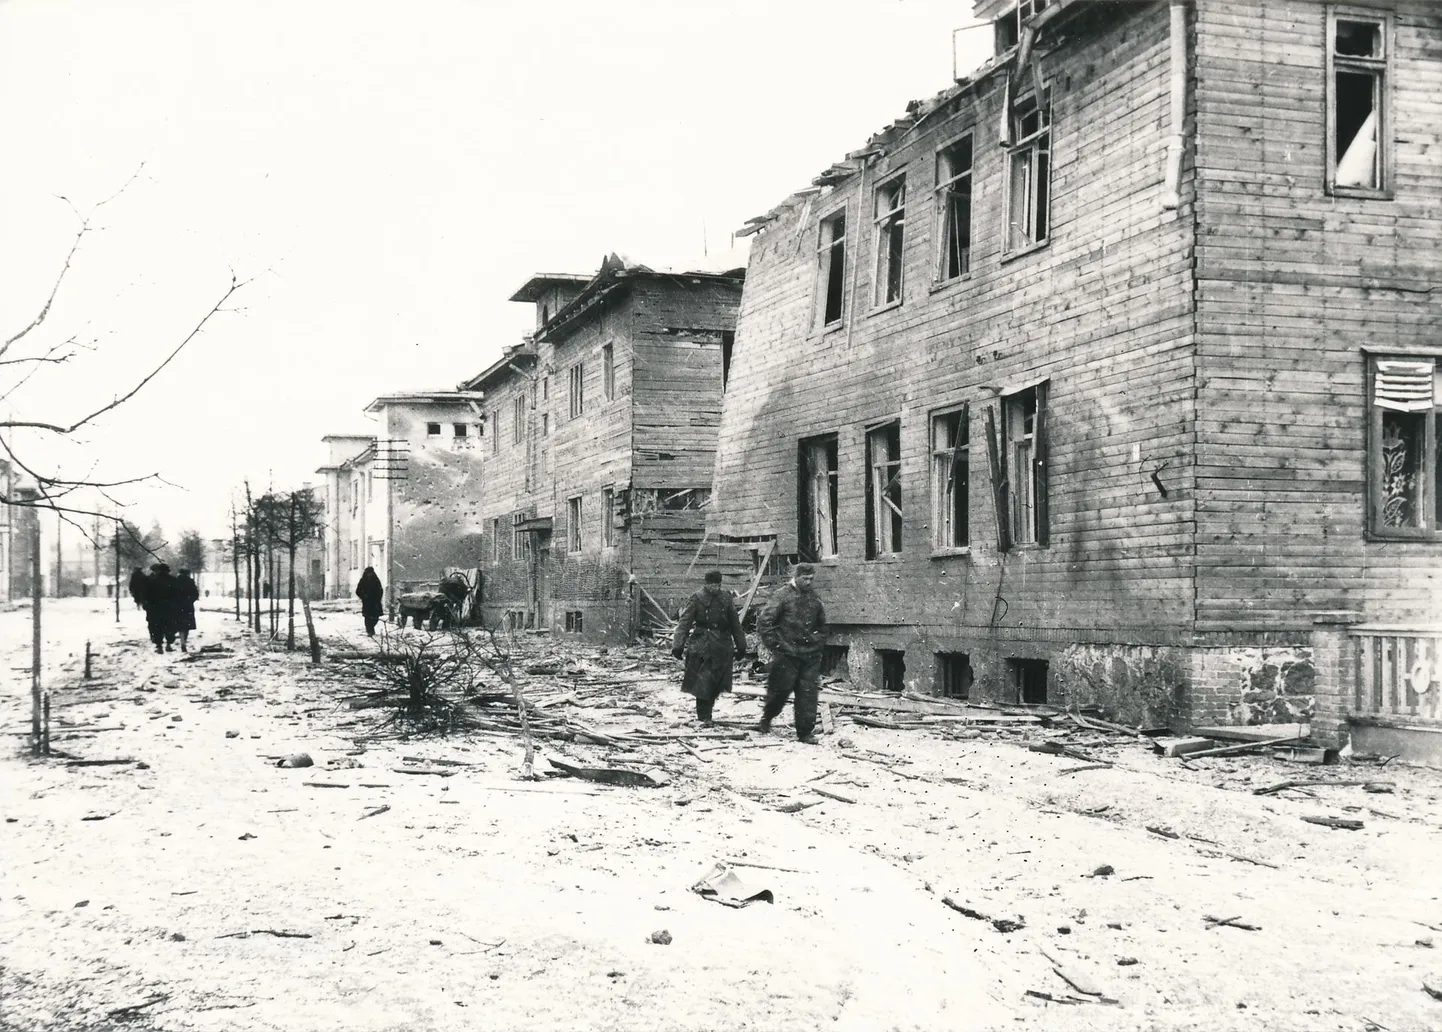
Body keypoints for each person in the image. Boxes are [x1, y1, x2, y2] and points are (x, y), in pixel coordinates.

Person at [756, 562, 828, 744]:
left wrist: (818, 643)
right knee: (779, 691)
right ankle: (767, 718)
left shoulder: (814, 598)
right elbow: (765, 621)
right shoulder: (782, 596)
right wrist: (776, 645)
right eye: (805, 578)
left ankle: (805, 733)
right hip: (787, 654)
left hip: (810, 655)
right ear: (796, 577)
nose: (809, 582)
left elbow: (822, 625)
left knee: (808, 694)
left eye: (811, 579)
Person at [671, 570, 747, 726]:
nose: (716, 588)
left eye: (718, 584)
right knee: (703, 681)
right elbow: (684, 623)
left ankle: (708, 714)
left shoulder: (726, 598)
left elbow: (735, 624)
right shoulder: (697, 598)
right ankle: (703, 716)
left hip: (722, 645)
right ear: (706, 584)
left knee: (717, 682)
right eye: (713, 584)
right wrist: (677, 646)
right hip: (702, 644)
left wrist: (741, 646)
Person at [144, 562, 177, 654]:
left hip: (156, 607)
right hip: (169, 607)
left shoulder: (152, 581)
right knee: (169, 626)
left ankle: (159, 645)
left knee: (157, 626)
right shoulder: (173, 580)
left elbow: (147, 595)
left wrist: (148, 606)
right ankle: (169, 644)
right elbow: (177, 595)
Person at [173, 569, 200, 653]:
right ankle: (184, 642)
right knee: (187, 626)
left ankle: (182, 642)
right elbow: (196, 594)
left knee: (180, 625)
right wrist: (190, 600)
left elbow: (171, 593)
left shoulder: (175, 581)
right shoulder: (190, 582)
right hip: (188, 606)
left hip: (177, 606)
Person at [356, 567, 384, 636]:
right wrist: (363, 596)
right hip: (367, 602)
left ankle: (371, 628)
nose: (370, 574)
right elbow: (358, 591)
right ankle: (370, 630)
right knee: (368, 617)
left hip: (375, 602)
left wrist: (378, 598)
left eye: (371, 573)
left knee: (376, 617)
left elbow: (380, 590)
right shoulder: (363, 581)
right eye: (368, 573)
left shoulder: (376, 580)